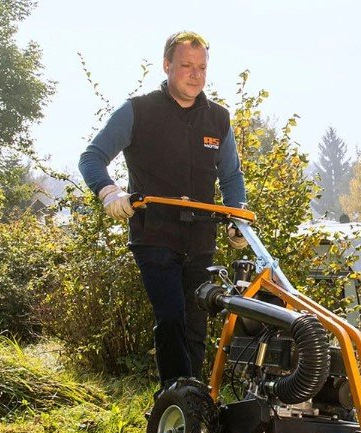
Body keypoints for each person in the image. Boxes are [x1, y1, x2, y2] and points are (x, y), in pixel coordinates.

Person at [78, 30, 247, 391]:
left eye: (202, 67)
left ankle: (194, 401)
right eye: (186, 65)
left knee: (197, 322)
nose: (196, 74)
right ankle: (177, 400)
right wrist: (109, 193)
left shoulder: (218, 118)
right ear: (167, 65)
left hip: (201, 237)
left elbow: (231, 175)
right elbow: (91, 158)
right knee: (171, 317)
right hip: (154, 234)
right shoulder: (139, 111)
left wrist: (238, 217)